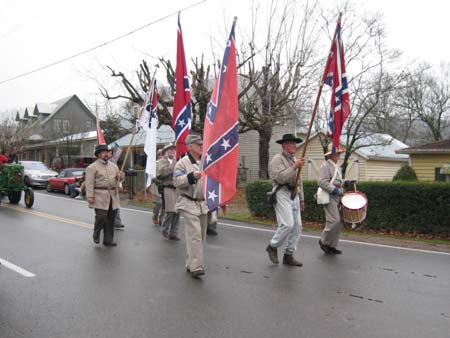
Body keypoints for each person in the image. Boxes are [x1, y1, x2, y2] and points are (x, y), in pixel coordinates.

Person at [265, 134, 305, 267]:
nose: (294, 145)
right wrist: (294, 167)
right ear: (284, 145)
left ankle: (289, 254)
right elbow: (280, 178)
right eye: (291, 143)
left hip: (294, 194)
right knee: (287, 224)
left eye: (295, 143)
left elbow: (299, 180)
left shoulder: (294, 159)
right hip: (282, 193)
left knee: (297, 226)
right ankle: (272, 245)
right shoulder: (278, 159)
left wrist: (302, 199)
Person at [173, 134, 208, 279]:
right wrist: (191, 176)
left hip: (203, 204)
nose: (201, 146)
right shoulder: (182, 163)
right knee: (194, 236)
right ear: (190, 146)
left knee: (201, 236)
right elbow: (177, 181)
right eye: (198, 144)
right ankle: (196, 266)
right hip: (188, 202)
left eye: (202, 144)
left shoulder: (206, 162)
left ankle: (190, 262)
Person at [85, 144, 123, 247]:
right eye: (104, 152)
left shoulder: (114, 166)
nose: (107, 154)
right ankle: (96, 233)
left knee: (111, 218)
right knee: (101, 217)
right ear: (99, 154)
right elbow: (89, 183)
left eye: (108, 152)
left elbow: (118, 180)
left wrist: (121, 177)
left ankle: (108, 240)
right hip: (99, 196)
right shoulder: (92, 167)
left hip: (113, 196)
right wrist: (90, 196)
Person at [317, 144, 346, 255]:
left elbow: (337, 181)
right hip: (329, 195)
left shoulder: (336, 166)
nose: (338, 154)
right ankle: (323, 241)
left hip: (337, 196)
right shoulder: (326, 166)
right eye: (336, 153)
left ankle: (332, 245)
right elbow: (322, 182)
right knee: (334, 220)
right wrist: (335, 190)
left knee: (339, 223)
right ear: (331, 154)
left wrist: (346, 182)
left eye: (338, 153)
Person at [157, 143, 180, 240]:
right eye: (170, 150)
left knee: (177, 212)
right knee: (170, 210)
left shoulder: (178, 161)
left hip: (178, 188)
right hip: (168, 187)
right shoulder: (162, 161)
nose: (172, 151)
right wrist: (173, 165)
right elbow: (161, 173)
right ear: (165, 152)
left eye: (173, 150)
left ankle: (173, 233)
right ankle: (165, 229)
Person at [151, 149, 164, 226]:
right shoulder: (154, 164)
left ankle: (161, 219)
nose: (161, 156)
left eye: (162, 154)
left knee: (165, 204)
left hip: (164, 186)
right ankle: (155, 216)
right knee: (158, 203)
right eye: (160, 154)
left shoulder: (166, 164)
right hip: (156, 186)